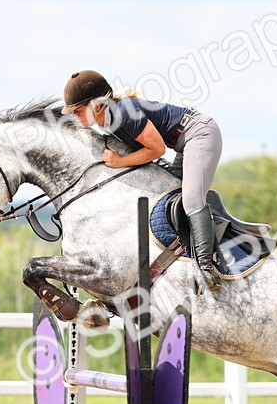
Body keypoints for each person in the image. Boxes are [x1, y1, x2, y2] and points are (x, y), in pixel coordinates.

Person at [61, 70, 223, 291]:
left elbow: (156, 149)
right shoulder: (107, 122)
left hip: (200, 134)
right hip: (184, 142)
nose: (75, 116)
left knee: (192, 199)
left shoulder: (124, 113)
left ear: (97, 105)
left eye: (78, 110)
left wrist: (120, 162)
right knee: (171, 194)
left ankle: (206, 270)